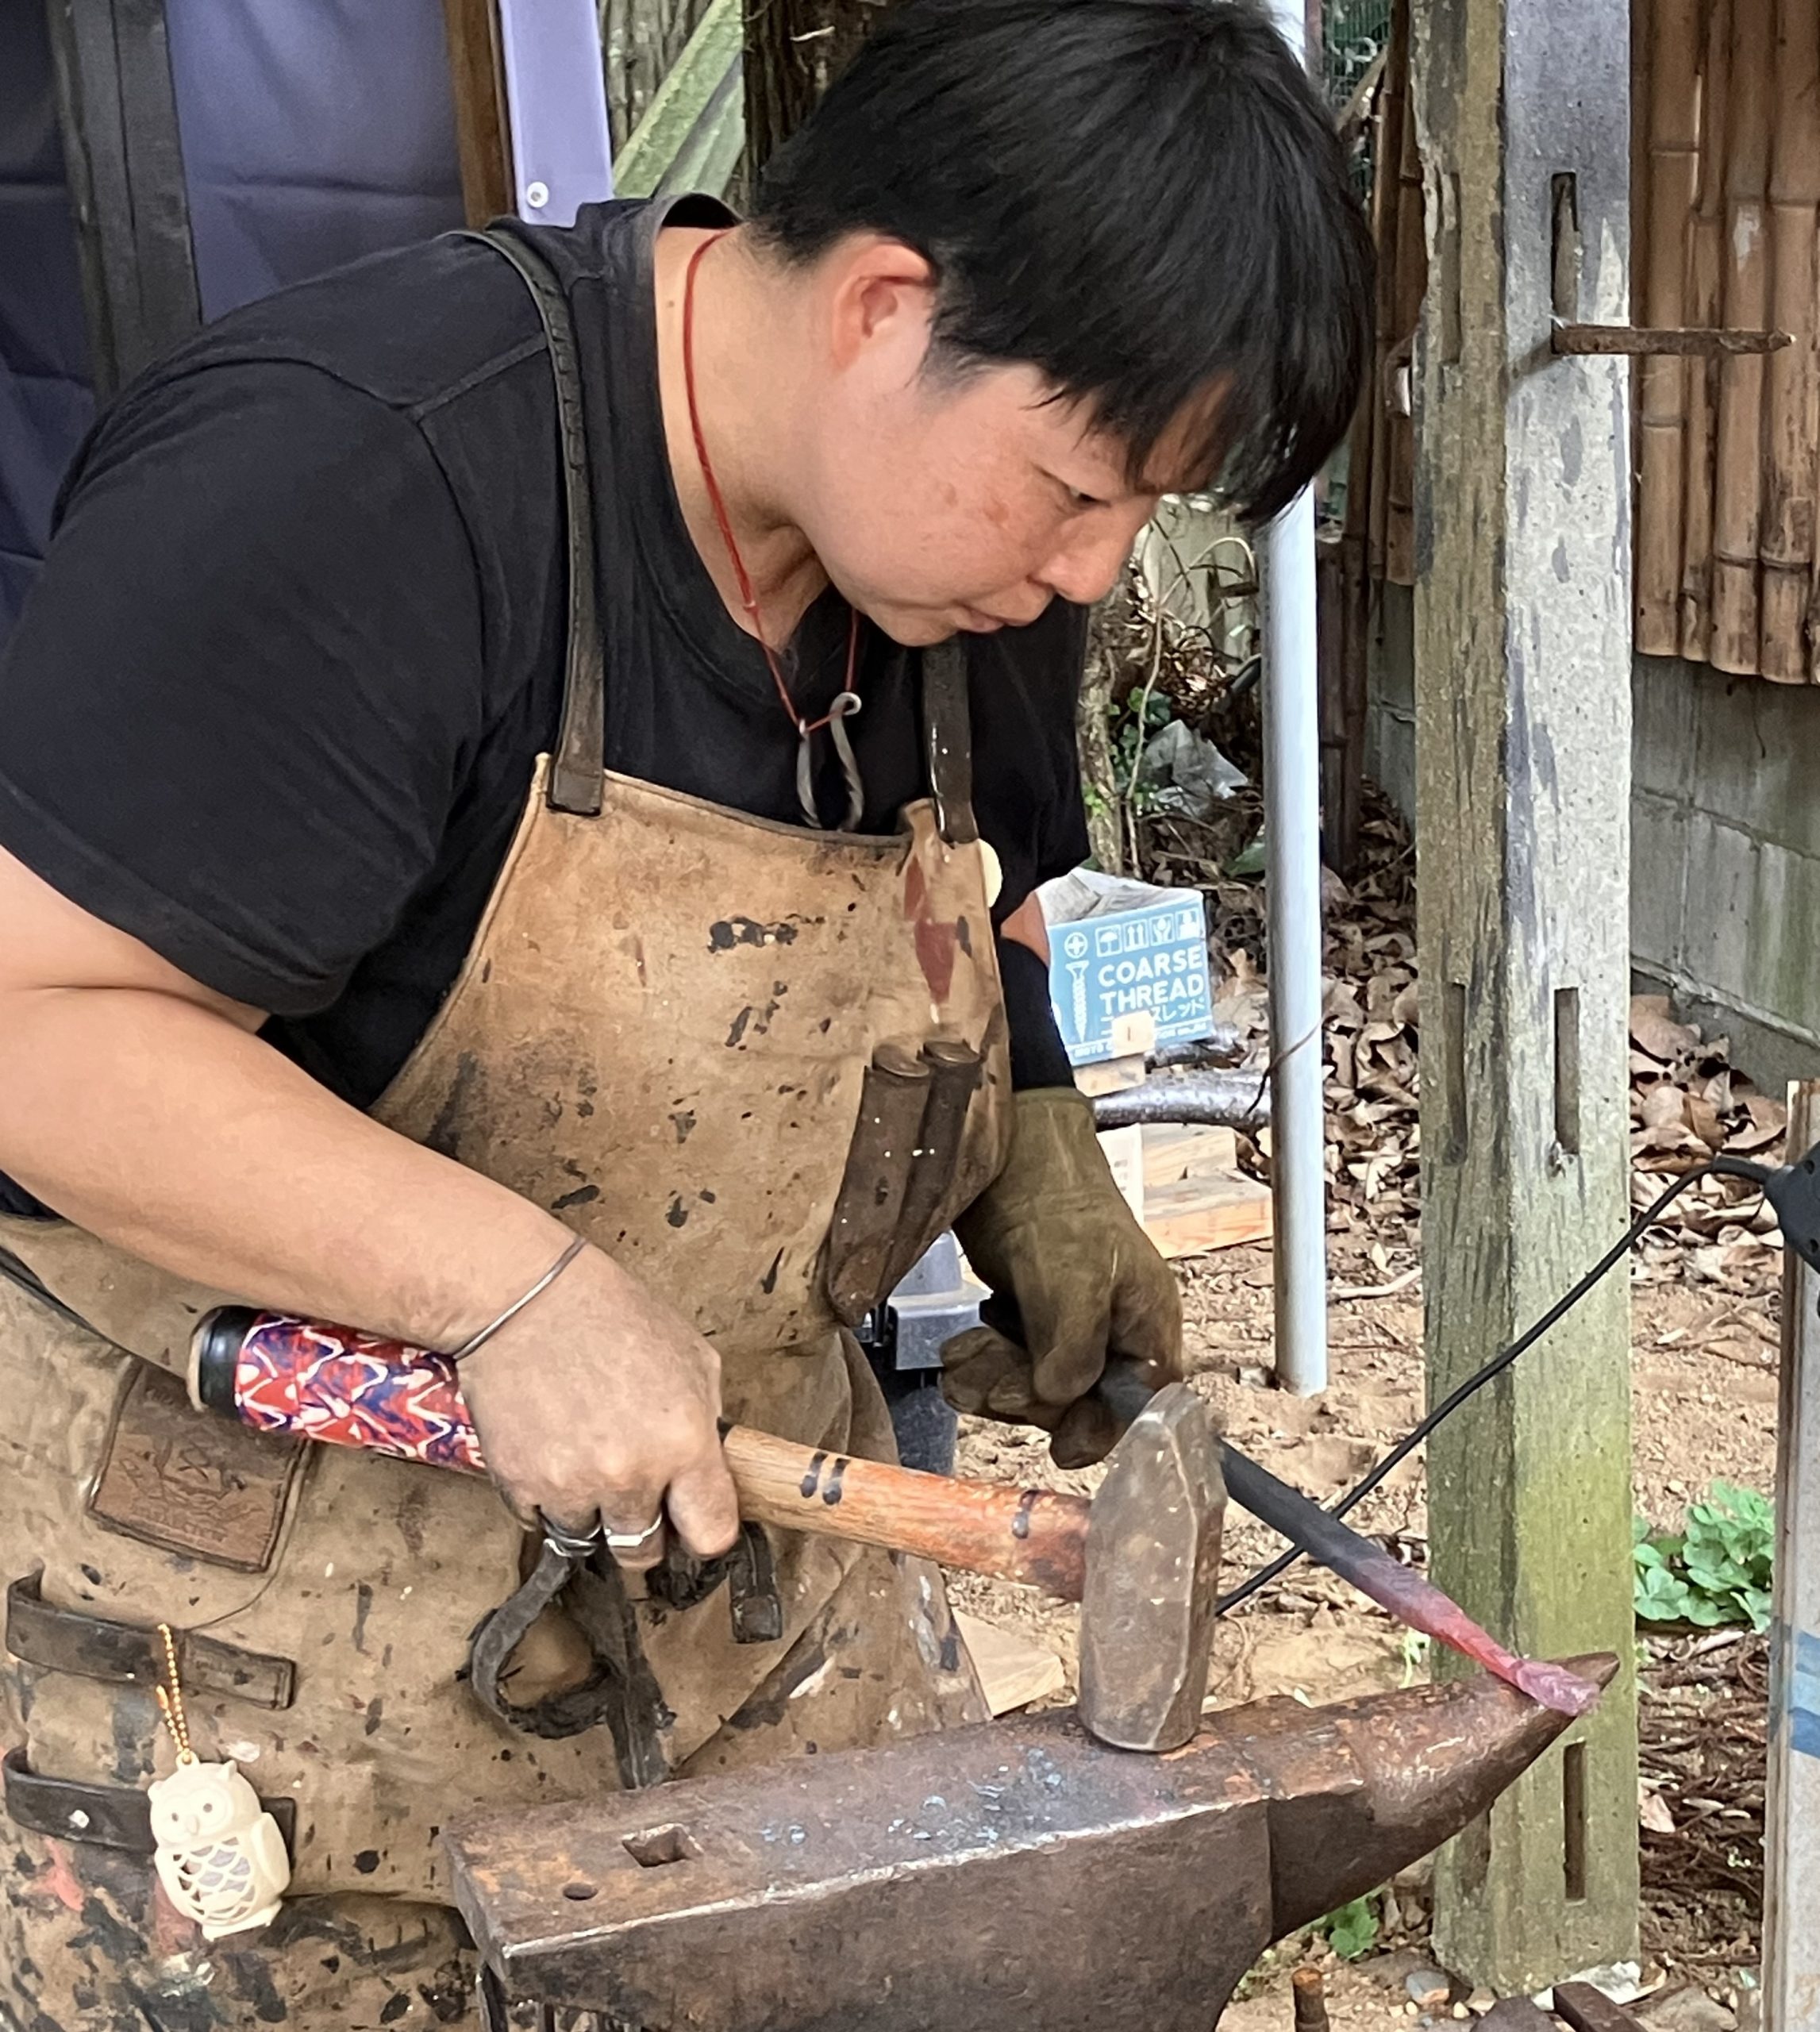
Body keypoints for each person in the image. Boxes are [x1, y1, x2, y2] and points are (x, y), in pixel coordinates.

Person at [0, 0, 1372, 2022]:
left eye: (1142, 516)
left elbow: (957, 890)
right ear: (885, 308)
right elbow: (43, 1018)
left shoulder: (951, 575)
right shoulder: (360, 476)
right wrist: (505, 1288)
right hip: (260, 1677)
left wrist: (1043, 1159)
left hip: (757, 1620)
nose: (1093, 566)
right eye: (1080, 489)